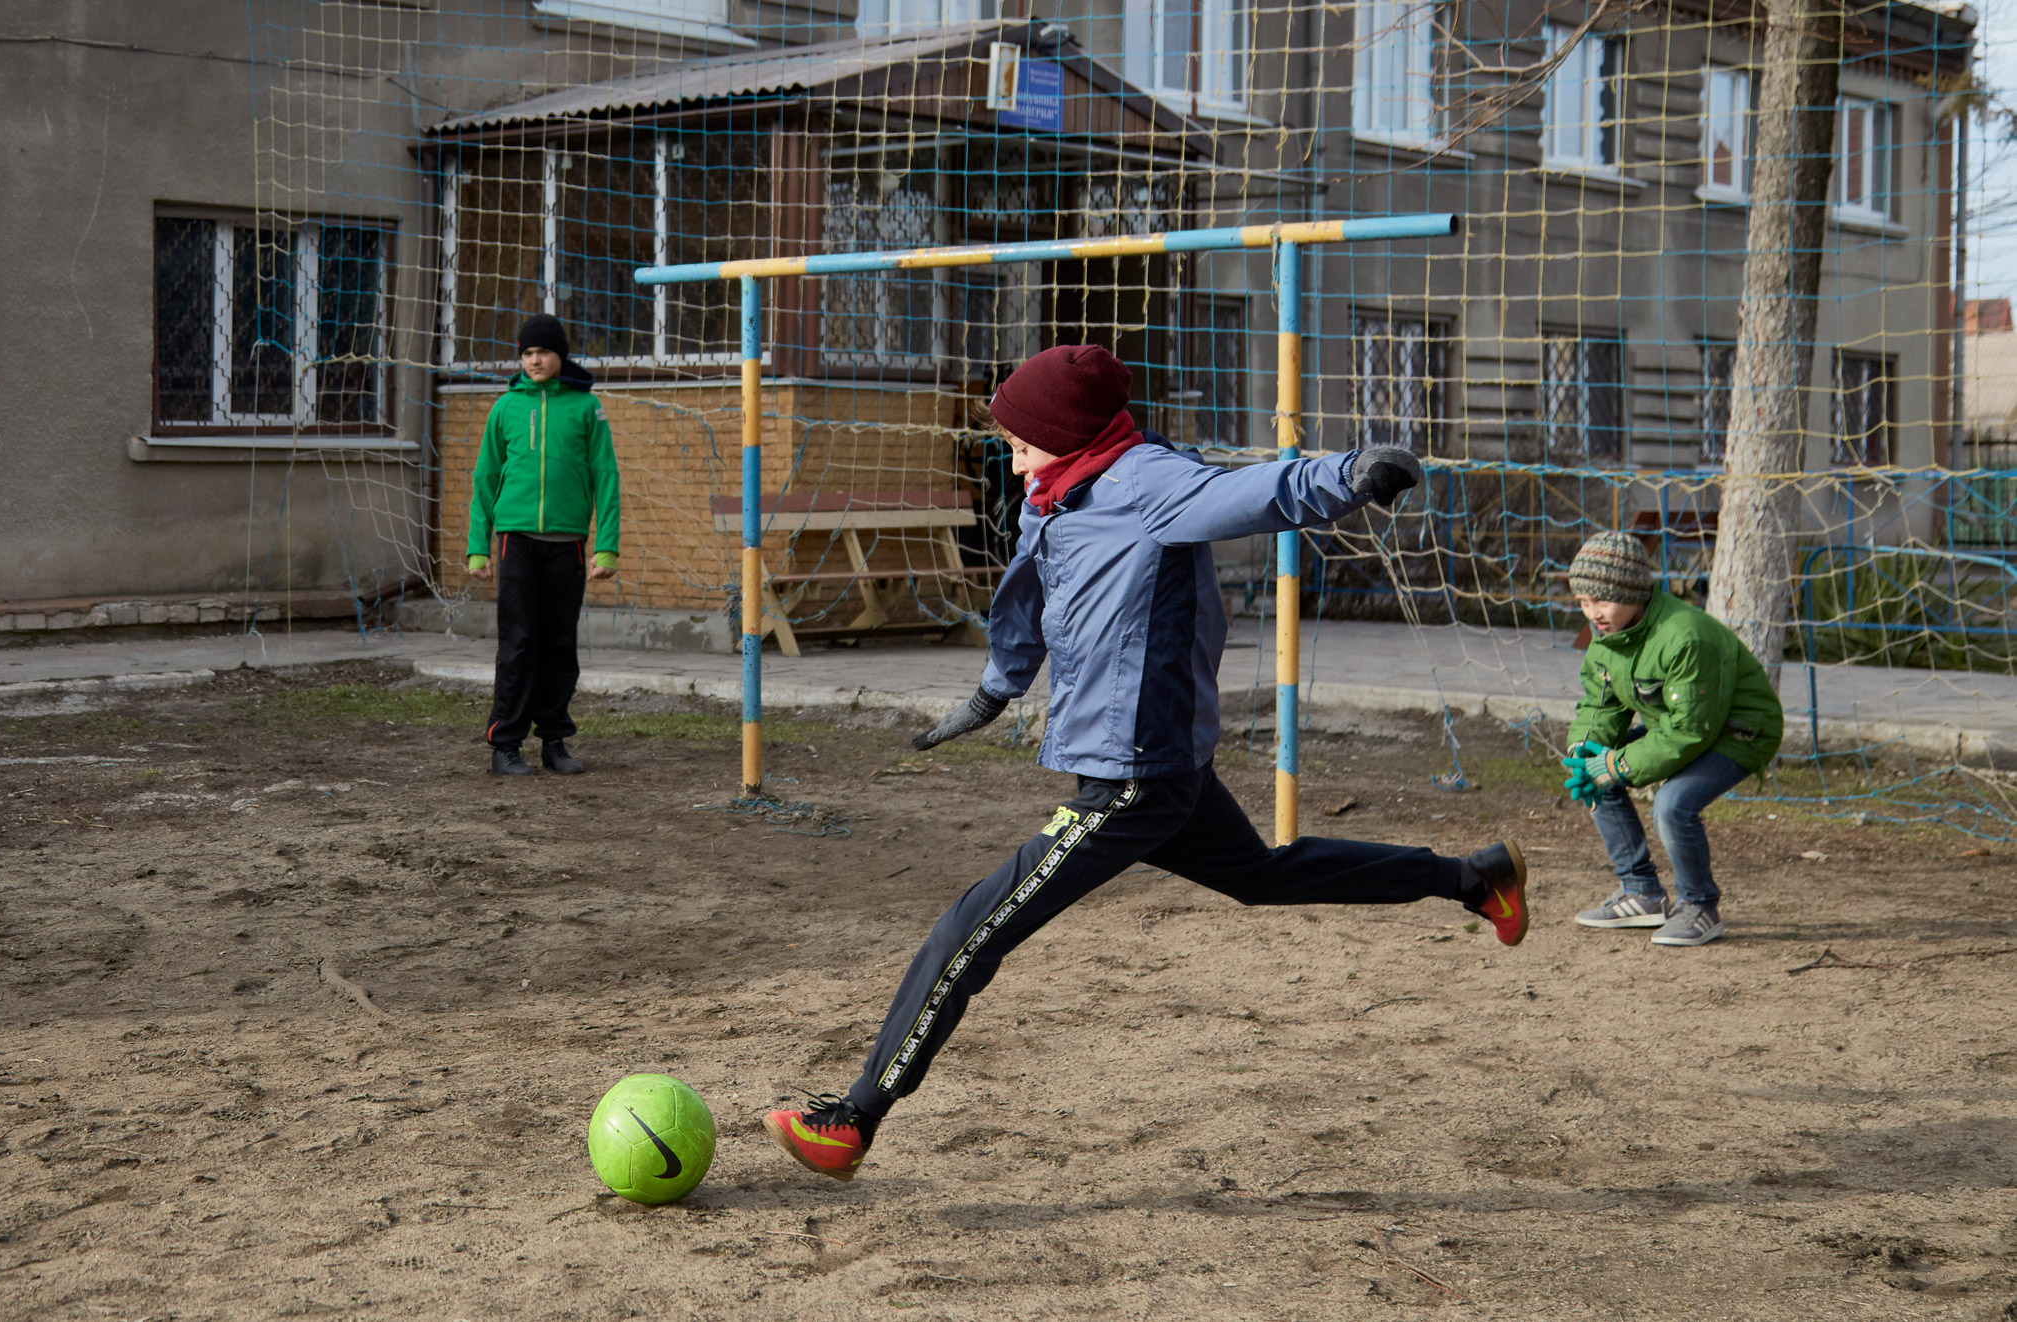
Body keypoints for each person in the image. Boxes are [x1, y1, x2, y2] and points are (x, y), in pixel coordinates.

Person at [763, 344, 1531, 1181]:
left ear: (1069, 432)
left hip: (1135, 773)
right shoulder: (1052, 496)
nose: (1012, 461)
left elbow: (1252, 491)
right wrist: (996, 689)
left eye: (1022, 442)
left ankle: (855, 1120)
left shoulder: (1147, 482)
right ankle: (1473, 878)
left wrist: (1350, 474)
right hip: (1145, 765)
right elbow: (1028, 590)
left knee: (969, 928)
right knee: (1262, 875)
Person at [1560, 531, 1784, 947]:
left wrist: (1615, 765)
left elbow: (1690, 730)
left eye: (1602, 601)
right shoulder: (1607, 636)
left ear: (1635, 592)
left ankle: (1700, 907)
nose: (1593, 613)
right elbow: (1601, 705)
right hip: (1681, 725)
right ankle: (1640, 892)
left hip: (1740, 731)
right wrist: (1585, 750)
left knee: (1673, 803)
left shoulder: (1685, 635)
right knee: (1593, 778)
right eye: (1584, 602)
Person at [467, 314, 621, 777]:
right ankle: (505, 745)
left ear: (561, 356)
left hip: (567, 545)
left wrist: (606, 547)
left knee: (558, 643)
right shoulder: (505, 408)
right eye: (528, 353)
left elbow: (606, 476)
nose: (535, 360)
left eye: (544, 352)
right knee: (517, 643)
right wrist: (479, 546)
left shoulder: (585, 407)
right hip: (515, 541)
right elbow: (485, 477)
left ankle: (554, 740)